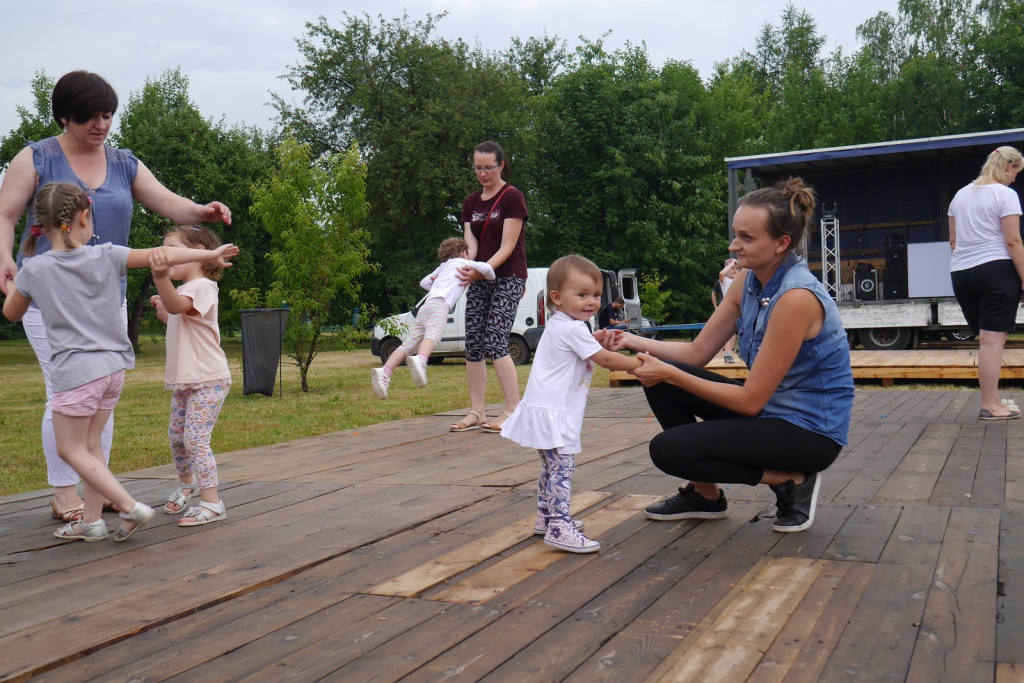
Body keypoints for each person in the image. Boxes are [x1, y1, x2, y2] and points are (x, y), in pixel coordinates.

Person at [0, 70, 232, 523]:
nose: (101, 125)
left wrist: (201, 212)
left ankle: (96, 495)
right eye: (90, 117)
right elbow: (5, 214)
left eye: (107, 115)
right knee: (64, 394)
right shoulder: (36, 158)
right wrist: (4, 260)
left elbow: (169, 204)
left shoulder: (124, 162)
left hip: (107, 300)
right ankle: (66, 493)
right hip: (52, 301)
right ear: (65, 116)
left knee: (98, 402)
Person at [598, 178, 853, 533]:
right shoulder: (749, 280)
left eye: (747, 238)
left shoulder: (796, 299)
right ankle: (705, 496)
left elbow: (749, 401)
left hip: (809, 434)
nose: (734, 245)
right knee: (662, 379)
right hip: (770, 415)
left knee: (669, 450)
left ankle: (791, 481)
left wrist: (668, 373)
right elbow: (696, 352)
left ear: (781, 244)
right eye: (736, 233)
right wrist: (630, 339)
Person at [501, 254, 643, 552]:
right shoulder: (572, 328)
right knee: (562, 469)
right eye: (581, 295)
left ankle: (545, 516)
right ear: (557, 298)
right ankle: (559, 525)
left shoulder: (561, 323)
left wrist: (599, 338)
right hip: (555, 414)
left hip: (543, 410)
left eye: (595, 295)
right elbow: (603, 359)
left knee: (551, 468)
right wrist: (636, 364)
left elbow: (588, 348)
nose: (591, 302)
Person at [149, 225, 233, 526]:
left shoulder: (203, 287)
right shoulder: (184, 290)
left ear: (198, 253)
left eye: (172, 250)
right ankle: (188, 483)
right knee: (176, 438)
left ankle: (213, 503)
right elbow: (176, 316)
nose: (166, 257)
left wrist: (160, 281)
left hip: (208, 379)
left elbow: (178, 307)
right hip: (187, 380)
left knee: (195, 439)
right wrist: (163, 307)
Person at [451, 141, 529, 433]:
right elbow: (471, 243)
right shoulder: (471, 202)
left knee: (496, 339)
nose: (483, 173)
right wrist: (465, 262)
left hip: (508, 276)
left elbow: (508, 247)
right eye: (478, 168)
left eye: (488, 168)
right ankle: (477, 411)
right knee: (473, 342)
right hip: (479, 276)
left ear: (501, 165)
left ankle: (512, 409)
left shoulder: (513, 197)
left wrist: (481, 270)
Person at [948, 146, 1024, 420]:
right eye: (1016, 172)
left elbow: (954, 242)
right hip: (996, 271)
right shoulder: (1006, 195)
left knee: (986, 341)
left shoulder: (960, 195)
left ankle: (993, 400)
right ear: (1008, 167)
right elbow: (1013, 241)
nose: (1015, 179)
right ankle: (990, 405)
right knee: (993, 343)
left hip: (961, 273)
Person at [371, 237, 495, 399]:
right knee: (432, 335)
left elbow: (424, 283)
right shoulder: (464, 263)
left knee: (409, 343)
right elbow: (490, 271)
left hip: (426, 307)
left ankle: (385, 372)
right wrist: (476, 275)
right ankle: (421, 360)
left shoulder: (442, 268)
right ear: (464, 253)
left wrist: (437, 284)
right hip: (440, 305)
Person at [711, 258, 740, 362]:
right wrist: (731, 264)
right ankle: (727, 354)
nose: (735, 270)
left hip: (738, 309)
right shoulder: (725, 281)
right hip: (728, 309)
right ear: (727, 269)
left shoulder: (739, 280)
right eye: (732, 268)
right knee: (728, 332)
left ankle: (730, 352)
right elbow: (721, 274)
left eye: (737, 268)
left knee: (735, 332)